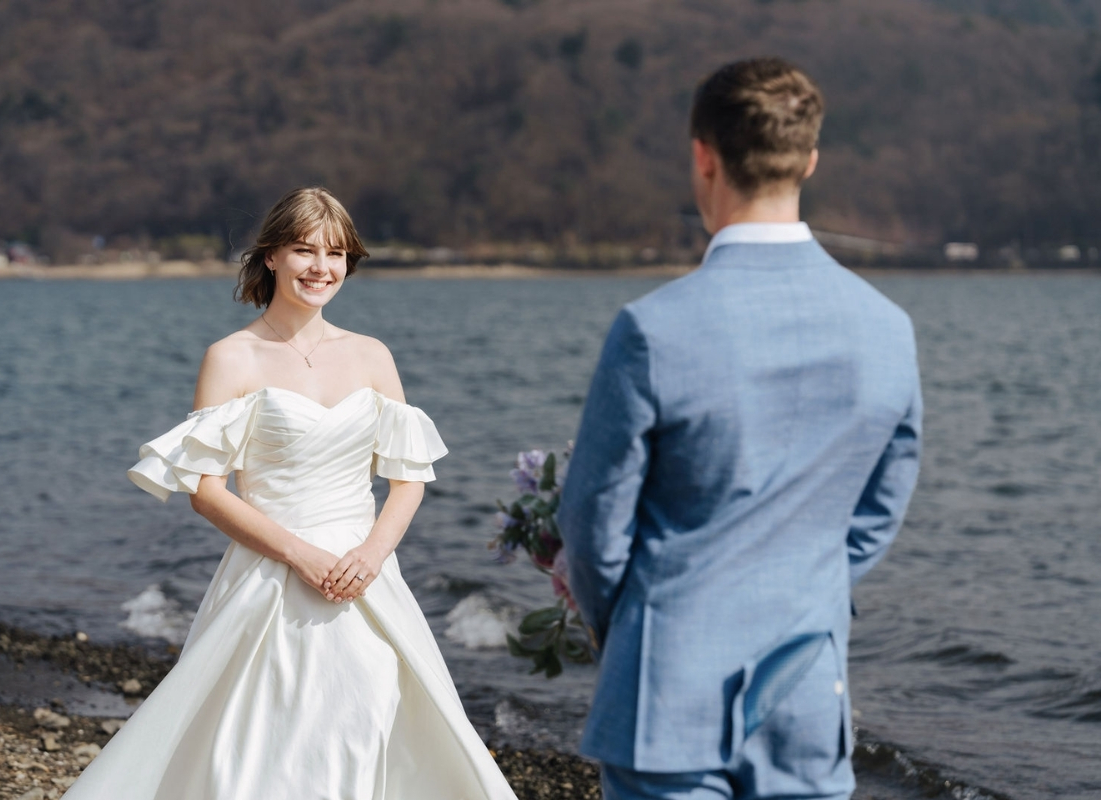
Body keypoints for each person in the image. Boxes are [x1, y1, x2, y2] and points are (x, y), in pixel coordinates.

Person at [65, 187, 518, 800]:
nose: (320, 267)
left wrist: (371, 555)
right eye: (304, 249)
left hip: (365, 577)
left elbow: (408, 479)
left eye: (335, 254)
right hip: (269, 575)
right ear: (271, 256)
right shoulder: (231, 357)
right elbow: (206, 491)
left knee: (365, 719)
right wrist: (301, 555)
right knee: (262, 742)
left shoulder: (371, 355)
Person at [557, 58, 922, 800]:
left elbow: (593, 521)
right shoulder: (888, 330)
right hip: (807, 691)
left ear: (703, 156)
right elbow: (878, 514)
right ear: (810, 159)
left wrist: (619, 627)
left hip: (666, 685)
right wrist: (807, 590)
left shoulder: (653, 330)